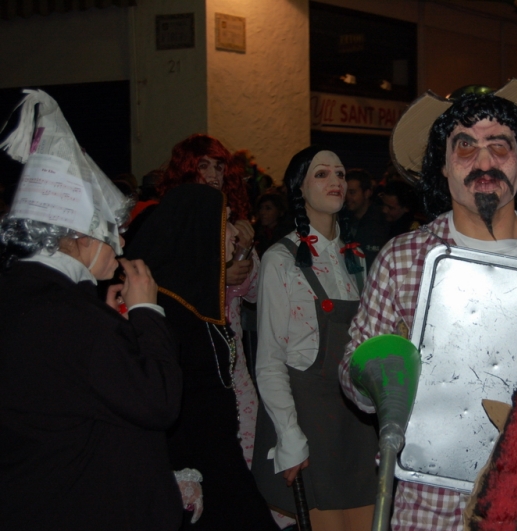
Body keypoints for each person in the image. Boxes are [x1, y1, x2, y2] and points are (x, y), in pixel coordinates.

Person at [339, 79, 517, 529]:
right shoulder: (403, 259)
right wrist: (377, 373)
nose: (484, 161)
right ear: (444, 168)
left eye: (500, 145)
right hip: (428, 506)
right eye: (465, 146)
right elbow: (357, 378)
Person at [0, 90, 182, 530]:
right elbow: (156, 400)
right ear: (76, 236)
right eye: (110, 232)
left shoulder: (26, 295)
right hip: (85, 505)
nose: (120, 245)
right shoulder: (68, 317)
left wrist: (98, 312)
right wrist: (146, 313)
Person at [126, 184, 279, 530]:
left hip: (222, 461)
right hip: (197, 469)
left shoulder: (195, 302)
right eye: (224, 222)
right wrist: (180, 472)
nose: (233, 234)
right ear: (199, 227)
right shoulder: (164, 308)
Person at [253, 147, 377, 531]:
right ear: (299, 188)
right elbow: (270, 358)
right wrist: (289, 435)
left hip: (357, 420)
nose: (336, 181)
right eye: (322, 174)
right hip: (309, 419)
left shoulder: (356, 258)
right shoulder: (280, 259)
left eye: (340, 173)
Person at [157, 134, 261, 466]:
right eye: (203, 165)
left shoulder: (233, 225)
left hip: (234, 360)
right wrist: (218, 276)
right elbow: (164, 287)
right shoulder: (171, 223)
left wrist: (244, 251)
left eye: (219, 166)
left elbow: (254, 294)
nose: (213, 174)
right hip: (191, 361)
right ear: (187, 170)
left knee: (247, 450)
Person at [342, 168, 390, 271]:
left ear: (367, 193)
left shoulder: (383, 221)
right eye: (345, 192)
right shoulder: (342, 219)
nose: (347, 197)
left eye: (352, 192)